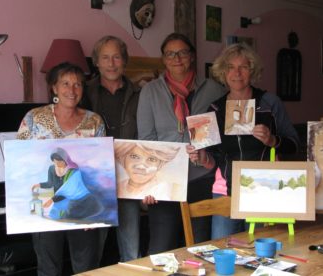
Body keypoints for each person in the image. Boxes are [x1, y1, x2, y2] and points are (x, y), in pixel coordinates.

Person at [187, 43, 299, 239]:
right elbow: (211, 161)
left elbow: (294, 145)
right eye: (230, 67)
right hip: (225, 193)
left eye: (243, 67)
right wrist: (200, 155)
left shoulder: (270, 103)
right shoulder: (213, 110)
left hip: (266, 190)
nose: (237, 73)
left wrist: (273, 140)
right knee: (223, 252)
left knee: (260, 253)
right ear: (223, 72)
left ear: (252, 71)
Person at [137, 32, 227, 253]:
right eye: (170, 54)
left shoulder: (214, 90)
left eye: (183, 52)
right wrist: (149, 183)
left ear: (192, 56)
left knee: (199, 247)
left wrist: (207, 157)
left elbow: (221, 140)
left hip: (201, 179)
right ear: (164, 59)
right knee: (161, 247)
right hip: (165, 181)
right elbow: (146, 140)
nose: (177, 58)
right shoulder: (150, 92)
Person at [17, 62, 106, 275]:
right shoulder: (34, 118)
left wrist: (95, 212)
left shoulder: (94, 121)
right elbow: (19, 161)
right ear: (54, 88)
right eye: (65, 83)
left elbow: (100, 170)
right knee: (48, 269)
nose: (72, 90)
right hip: (47, 214)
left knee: (86, 269)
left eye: (77, 84)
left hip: (81, 208)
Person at [81, 35, 141, 262]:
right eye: (105, 57)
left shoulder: (138, 93)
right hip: (95, 181)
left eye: (116, 57)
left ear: (124, 61)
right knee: (92, 251)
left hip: (128, 177)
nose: (111, 63)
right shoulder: (83, 92)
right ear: (96, 61)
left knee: (131, 249)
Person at [32, 148, 103, 221]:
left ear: (65, 160)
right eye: (55, 161)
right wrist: (38, 185)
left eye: (59, 161)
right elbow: (50, 183)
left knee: (65, 219)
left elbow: (70, 189)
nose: (57, 164)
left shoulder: (72, 171)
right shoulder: (52, 169)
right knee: (52, 217)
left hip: (69, 200)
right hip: (56, 200)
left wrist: (52, 200)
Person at [115, 142, 182, 200]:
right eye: (134, 156)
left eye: (151, 159)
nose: (141, 167)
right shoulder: (116, 188)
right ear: (123, 159)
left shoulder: (171, 190)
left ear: (160, 165)